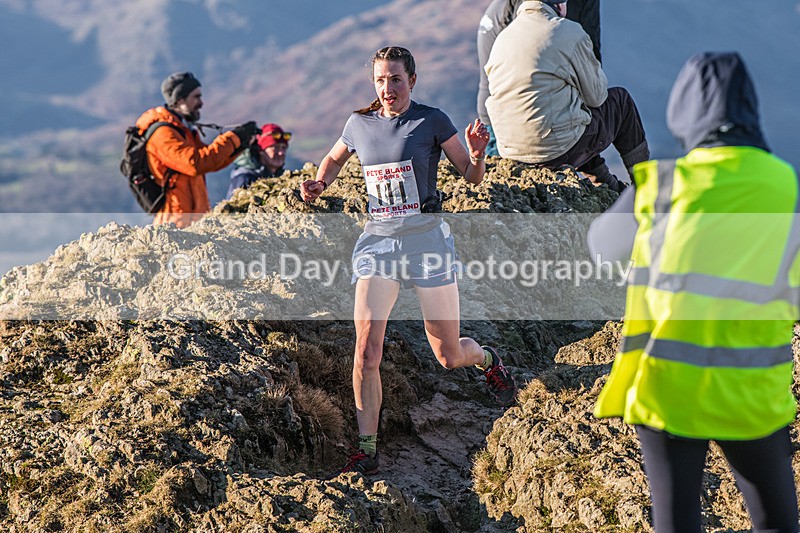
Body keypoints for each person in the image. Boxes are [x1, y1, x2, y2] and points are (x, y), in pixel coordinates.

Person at [590, 52, 799, 532]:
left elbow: (602, 246)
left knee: (676, 521)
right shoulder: (784, 185)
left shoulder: (664, 184)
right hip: (751, 393)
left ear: (684, 110)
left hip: (668, 389)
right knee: (776, 522)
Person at [300, 46, 518, 475]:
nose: (387, 88)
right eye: (380, 80)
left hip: (426, 243)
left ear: (411, 81)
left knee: (448, 355)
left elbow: (471, 177)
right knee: (366, 352)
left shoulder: (432, 120)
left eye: (395, 80)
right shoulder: (357, 124)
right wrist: (319, 183)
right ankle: (366, 447)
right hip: (378, 246)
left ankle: (488, 360)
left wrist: (477, 153)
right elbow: (333, 157)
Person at [485, 0, 649, 192]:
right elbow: (596, 96)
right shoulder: (567, 31)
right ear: (560, 5)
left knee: (571, 114)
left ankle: (610, 186)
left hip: (510, 152)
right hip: (553, 151)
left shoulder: (503, 38)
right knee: (619, 101)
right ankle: (644, 185)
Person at [477, 0, 601, 156]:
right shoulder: (515, 9)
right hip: (502, 123)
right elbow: (517, 71)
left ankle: (601, 174)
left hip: (539, 114)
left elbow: (591, 55)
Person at [135, 71, 259, 227]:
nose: (201, 103)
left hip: (194, 220)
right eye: (196, 97)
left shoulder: (183, 130)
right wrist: (233, 138)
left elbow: (211, 162)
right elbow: (195, 164)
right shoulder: (163, 133)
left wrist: (241, 143)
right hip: (175, 223)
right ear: (180, 100)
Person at [225, 123, 292, 199]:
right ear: (261, 150)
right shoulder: (245, 178)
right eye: (275, 147)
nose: (281, 153)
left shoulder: (284, 178)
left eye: (283, 148)